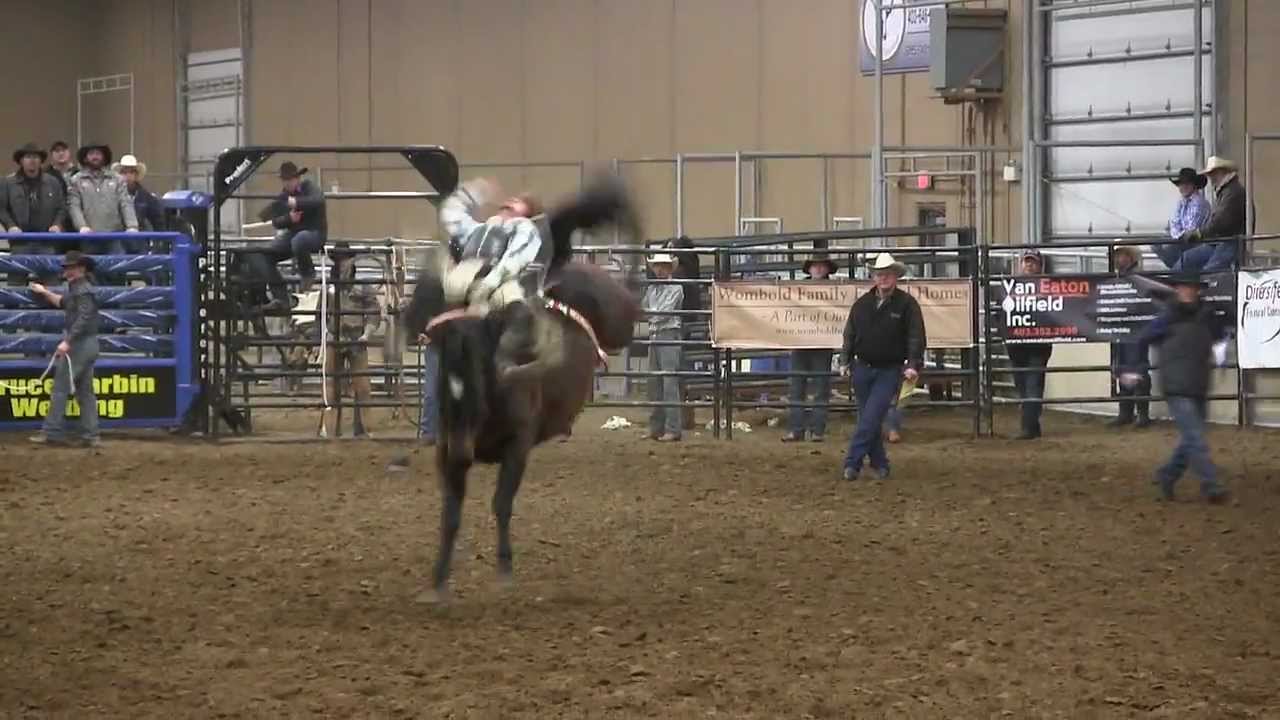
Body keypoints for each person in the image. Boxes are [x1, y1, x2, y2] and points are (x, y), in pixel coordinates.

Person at [438, 176, 549, 382]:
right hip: (469, 278)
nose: (511, 200)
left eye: (520, 201)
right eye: (512, 198)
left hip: (495, 283)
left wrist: (490, 282)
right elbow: (450, 213)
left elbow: (515, 258)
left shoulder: (524, 227)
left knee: (519, 311)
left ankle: (502, 362)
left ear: (528, 213)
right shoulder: (476, 229)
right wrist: (478, 190)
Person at [1134, 273, 1230, 503]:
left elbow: (1221, 338)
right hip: (1176, 383)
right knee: (1195, 437)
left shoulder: (1207, 316)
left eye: (1192, 287)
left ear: (1197, 290)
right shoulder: (1168, 316)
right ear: (1177, 289)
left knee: (1191, 438)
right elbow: (1143, 338)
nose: (1188, 291)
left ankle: (1168, 475)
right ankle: (1211, 485)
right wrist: (1135, 367)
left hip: (1198, 381)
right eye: (1184, 287)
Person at [839, 252, 925, 481]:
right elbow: (850, 333)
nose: (883, 278)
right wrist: (845, 359)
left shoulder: (907, 304)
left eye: (888, 274)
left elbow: (916, 336)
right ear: (874, 277)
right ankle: (880, 464)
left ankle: (852, 463)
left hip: (889, 369)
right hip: (862, 367)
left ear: (896, 276)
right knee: (871, 418)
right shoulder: (862, 305)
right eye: (880, 274)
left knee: (869, 417)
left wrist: (913, 363)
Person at [27, 251, 101, 447]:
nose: (67, 271)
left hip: (80, 344)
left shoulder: (82, 290)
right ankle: (91, 435)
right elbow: (63, 302)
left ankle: (52, 431)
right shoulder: (81, 288)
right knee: (85, 392)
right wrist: (44, 292)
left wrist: (68, 341)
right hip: (87, 343)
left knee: (61, 387)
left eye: (71, 267)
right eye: (67, 268)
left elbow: (84, 317)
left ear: (81, 269)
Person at [319, 248, 382, 439]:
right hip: (334, 337)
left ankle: (366, 429)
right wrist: (320, 340)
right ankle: (329, 429)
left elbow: (373, 312)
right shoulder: (328, 288)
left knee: (362, 386)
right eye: (339, 260)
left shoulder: (362, 287)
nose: (343, 263)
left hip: (356, 338)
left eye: (345, 259)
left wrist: (367, 333)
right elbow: (320, 315)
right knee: (331, 385)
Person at [783, 253, 837, 442]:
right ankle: (797, 429)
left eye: (822, 265)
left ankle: (816, 430)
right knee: (797, 387)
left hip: (823, 343)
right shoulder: (797, 289)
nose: (818, 268)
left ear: (827, 268)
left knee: (820, 388)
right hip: (801, 342)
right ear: (810, 269)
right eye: (815, 265)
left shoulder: (837, 290)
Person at [1164, 157, 1249, 273]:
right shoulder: (1227, 191)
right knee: (1186, 259)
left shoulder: (1232, 192)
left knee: (1208, 271)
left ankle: (1176, 281)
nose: (1211, 178)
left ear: (1221, 172)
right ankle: (1176, 280)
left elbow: (1219, 222)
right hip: (1219, 241)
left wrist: (1198, 233)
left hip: (1229, 242)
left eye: (1213, 174)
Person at [1006, 249, 1054, 440]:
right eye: (1027, 261)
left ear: (1040, 265)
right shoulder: (1011, 285)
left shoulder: (1048, 286)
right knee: (1023, 384)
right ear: (1021, 264)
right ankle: (1032, 425)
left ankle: (1028, 426)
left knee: (1032, 383)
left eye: (1033, 262)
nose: (1029, 265)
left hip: (1038, 344)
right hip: (1017, 344)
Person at [67, 142, 138, 267]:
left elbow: (125, 203)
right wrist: (81, 226)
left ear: (104, 156)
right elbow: (74, 206)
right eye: (91, 154)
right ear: (85, 157)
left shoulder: (117, 179)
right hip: (88, 238)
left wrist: (132, 226)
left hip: (114, 236)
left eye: (98, 153)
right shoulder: (76, 180)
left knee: (117, 271)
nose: (95, 157)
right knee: (90, 272)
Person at [260, 161, 327, 292]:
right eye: (285, 180)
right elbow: (275, 221)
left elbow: (318, 200)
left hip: (315, 232)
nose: (287, 183)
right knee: (266, 255)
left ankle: (307, 274)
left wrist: (296, 202)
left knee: (299, 240)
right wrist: (289, 219)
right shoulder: (283, 197)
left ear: (297, 178)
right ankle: (280, 293)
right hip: (294, 235)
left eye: (290, 179)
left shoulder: (309, 187)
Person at [1, 143, 67, 266]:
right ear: (21, 161)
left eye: (36, 157)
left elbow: (62, 207)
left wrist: (57, 224)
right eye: (28, 157)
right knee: (17, 276)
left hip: (47, 240)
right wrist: (11, 226)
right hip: (20, 241)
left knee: (50, 275)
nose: (32, 160)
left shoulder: (53, 182)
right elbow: (2, 209)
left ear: (41, 160)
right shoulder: (8, 183)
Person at [642, 253, 684, 441]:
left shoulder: (676, 288)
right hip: (656, 335)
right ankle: (657, 427)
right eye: (657, 265)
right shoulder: (652, 289)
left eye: (663, 266)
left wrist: (651, 315)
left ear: (669, 268)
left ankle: (672, 429)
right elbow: (646, 310)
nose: (659, 269)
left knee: (668, 383)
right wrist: (652, 314)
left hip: (668, 334)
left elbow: (663, 313)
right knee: (655, 384)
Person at [1109, 245, 1151, 428]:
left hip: (1136, 327)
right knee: (1122, 365)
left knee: (1137, 365)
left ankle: (1140, 413)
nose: (1119, 259)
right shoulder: (1117, 279)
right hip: (1122, 327)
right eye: (1117, 255)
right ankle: (1126, 412)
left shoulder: (1138, 279)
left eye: (1123, 255)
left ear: (1131, 258)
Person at [1154, 167, 1210, 270]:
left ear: (1194, 185)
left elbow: (1191, 228)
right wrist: (1177, 236)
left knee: (1171, 252)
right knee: (1156, 245)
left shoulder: (1199, 203)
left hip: (1196, 242)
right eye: (1181, 184)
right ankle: (1177, 270)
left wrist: (1178, 235)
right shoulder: (1182, 201)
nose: (1183, 187)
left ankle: (1177, 272)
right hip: (1182, 241)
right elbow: (1174, 223)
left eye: (1187, 184)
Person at [113, 154, 165, 251]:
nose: (127, 176)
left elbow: (158, 219)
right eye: (124, 172)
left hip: (139, 240)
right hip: (115, 239)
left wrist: (160, 241)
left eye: (131, 172)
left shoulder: (145, 196)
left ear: (136, 175)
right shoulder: (111, 195)